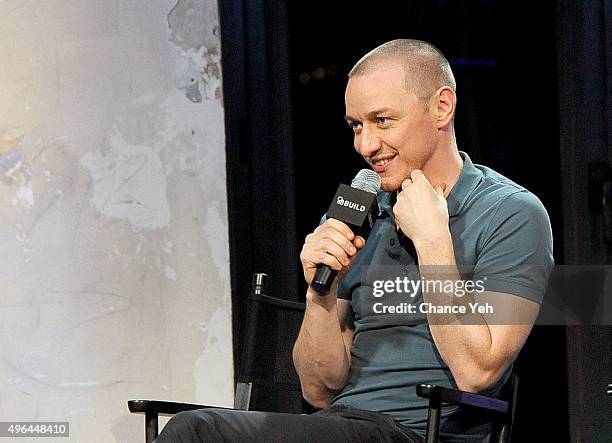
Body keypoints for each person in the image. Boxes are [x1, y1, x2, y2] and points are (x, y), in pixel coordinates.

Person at [155, 39, 553, 442]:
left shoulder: (511, 213)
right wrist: (319, 297)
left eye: (382, 120)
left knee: (197, 432)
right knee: (197, 428)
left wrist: (433, 240)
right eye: (356, 126)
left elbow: (477, 373)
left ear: (442, 107)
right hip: (345, 425)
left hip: (420, 433)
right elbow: (318, 389)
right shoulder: (358, 211)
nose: (365, 145)